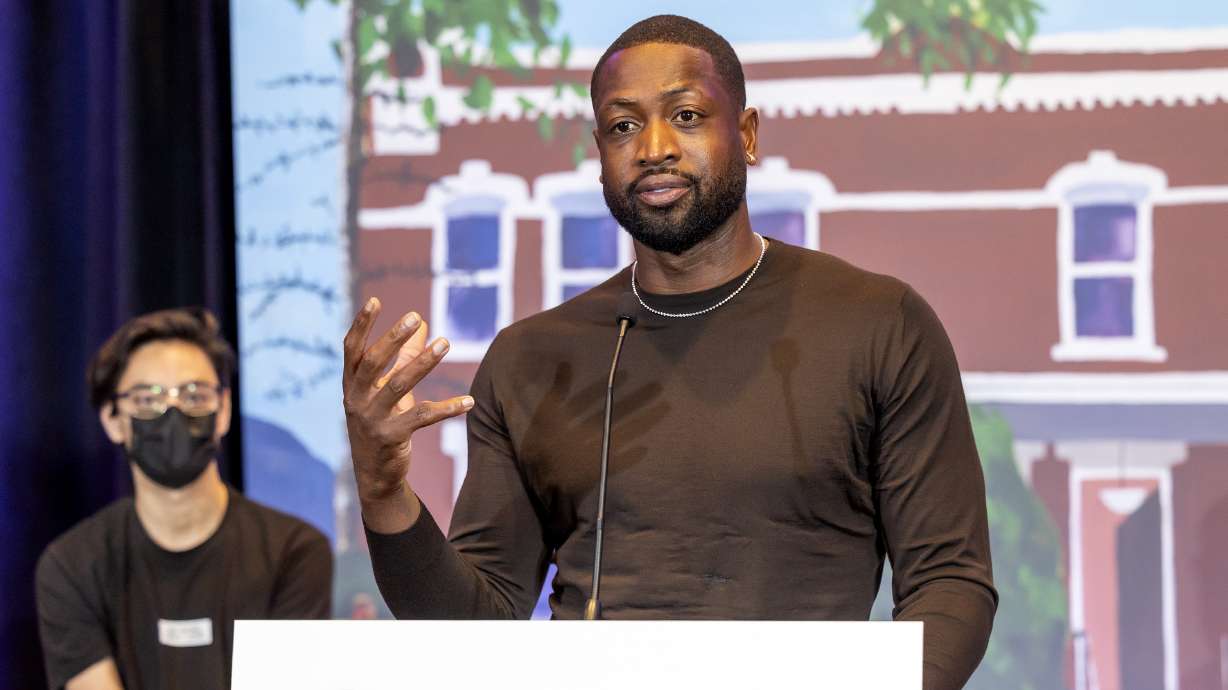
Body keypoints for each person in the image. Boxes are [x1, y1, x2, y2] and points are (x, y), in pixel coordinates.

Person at [342, 14, 996, 690]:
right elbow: (476, 631)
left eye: (685, 115)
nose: (654, 147)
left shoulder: (878, 324)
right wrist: (385, 492)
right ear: (600, 153)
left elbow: (950, 583)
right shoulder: (531, 359)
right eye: (624, 127)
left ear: (745, 134)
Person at [35, 308, 332, 690]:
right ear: (112, 419)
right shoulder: (73, 565)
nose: (172, 413)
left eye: (194, 395)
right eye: (147, 399)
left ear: (223, 411)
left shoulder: (294, 552)